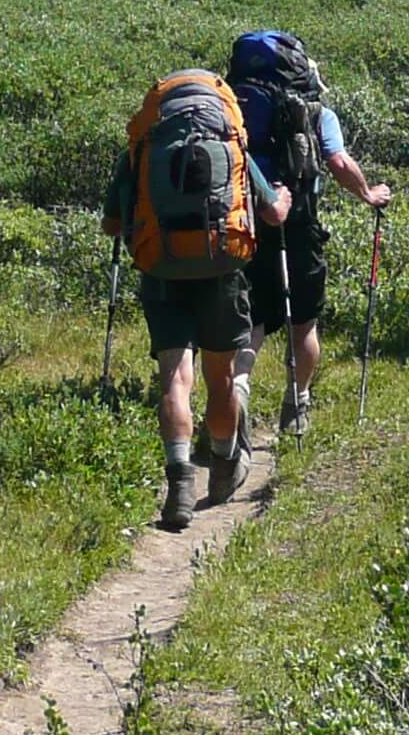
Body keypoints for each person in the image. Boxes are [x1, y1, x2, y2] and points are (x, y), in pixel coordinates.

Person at [105, 69, 290, 533]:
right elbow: (270, 211)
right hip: (221, 268)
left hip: (162, 269)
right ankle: (224, 464)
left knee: (175, 377)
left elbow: (111, 224)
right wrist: (283, 198)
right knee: (221, 375)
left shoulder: (144, 144)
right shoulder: (231, 139)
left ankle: (180, 483)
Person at [228, 31, 390, 440]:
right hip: (299, 228)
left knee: (253, 321)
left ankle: (238, 391)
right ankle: (296, 404)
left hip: (245, 227)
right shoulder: (318, 112)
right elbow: (337, 160)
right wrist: (368, 194)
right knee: (304, 323)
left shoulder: (234, 107)